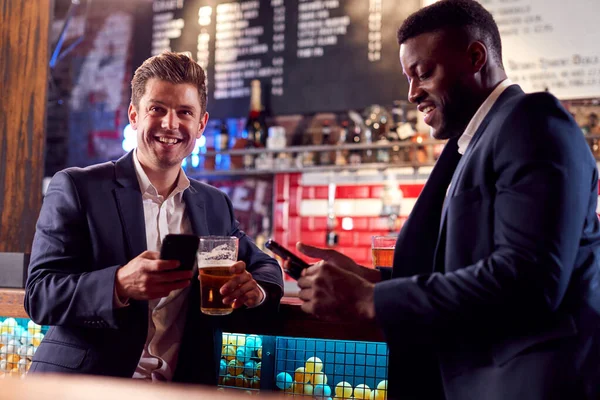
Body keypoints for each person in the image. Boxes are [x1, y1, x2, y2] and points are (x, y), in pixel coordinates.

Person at [296, 1, 600, 399]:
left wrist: (374, 299)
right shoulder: (475, 142)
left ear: (476, 57)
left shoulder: (531, 119)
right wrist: (369, 278)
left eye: (423, 74)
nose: (412, 93)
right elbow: (469, 265)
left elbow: (529, 280)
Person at [24, 52, 283, 384]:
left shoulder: (213, 204)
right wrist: (118, 284)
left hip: (179, 388)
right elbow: (40, 294)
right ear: (135, 115)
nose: (170, 124)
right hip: (87, 386)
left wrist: (256, 291)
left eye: (184, 112)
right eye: (156, 109)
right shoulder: (78, 187)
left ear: (201, 124)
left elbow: (264, 266)